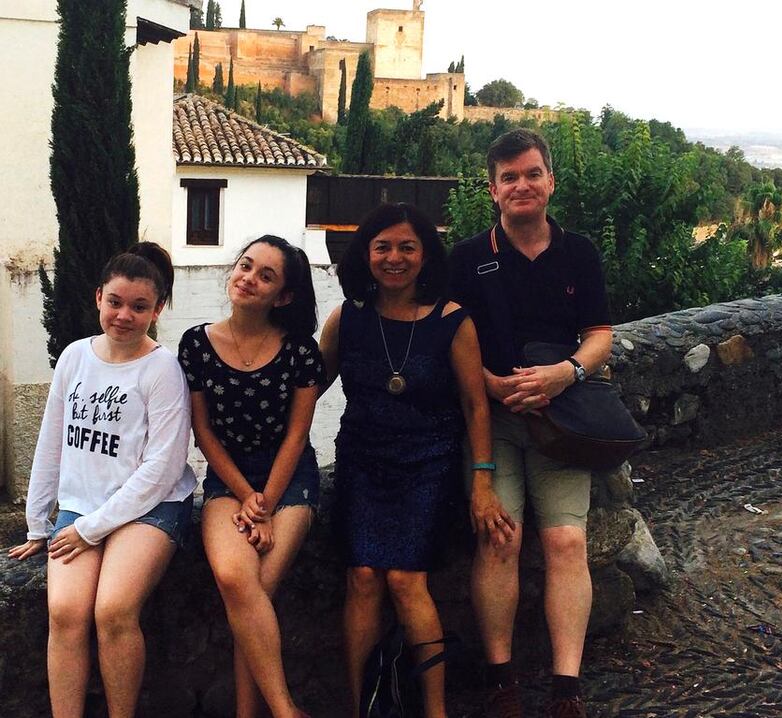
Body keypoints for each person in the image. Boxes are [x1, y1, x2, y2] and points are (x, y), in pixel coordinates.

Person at [320, 203, 511, 718]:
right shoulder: (347, 318)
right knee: (362, 577)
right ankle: (360, 704)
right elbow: (307, 390)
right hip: (362, 461)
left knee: (406, 580)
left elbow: (475, 406)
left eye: (407, 247)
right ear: (365, 254)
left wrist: (483, 481)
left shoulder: (453, 322)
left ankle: (435, 710)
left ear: (426, 256)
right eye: (382, 247)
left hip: (428, 464)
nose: (394, 258)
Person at [449, 129, 613, 718]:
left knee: (567, 542)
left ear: (550, 181)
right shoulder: (467, 259)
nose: (522, 185)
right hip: (488, 422)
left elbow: (600, 335)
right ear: (493, 189)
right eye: (509, 177)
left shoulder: (580, 253)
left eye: (532, 173)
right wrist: (489, 383)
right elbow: (449, 336)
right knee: (500, 540)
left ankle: (566, 689)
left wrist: (565, 373)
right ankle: (501, 678)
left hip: (559, 421)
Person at [8, 242, 196, 718]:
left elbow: (163, 468)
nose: (124, 315)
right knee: (66, 613)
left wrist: (91, 529)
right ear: (97, 298)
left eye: (139, 306)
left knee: (112, 611)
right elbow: (53, 439)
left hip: (149, 507)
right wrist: (37, 524)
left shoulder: (162, 370)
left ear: (158, 310)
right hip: (82, 505)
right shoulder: (74, 357)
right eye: (115, 302)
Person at [178, 235, 323, 718]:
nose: (248, 278)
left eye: (266, 275)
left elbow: (297, 436)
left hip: (290, 479)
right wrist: (247, 498)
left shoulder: (300, 351)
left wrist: (267, 502)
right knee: (235, 578)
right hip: (228, 479)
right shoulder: (196, 344)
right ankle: (284, 711)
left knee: (254, 589)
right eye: (245, 266)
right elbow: (202, 432)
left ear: (283, 296)